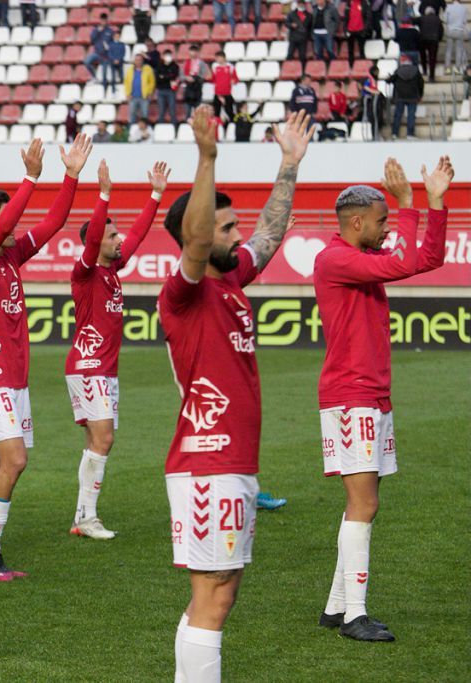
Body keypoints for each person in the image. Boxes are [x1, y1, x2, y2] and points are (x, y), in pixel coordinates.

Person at [160, 106, 313, 683]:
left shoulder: (230, 278)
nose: (236, 233)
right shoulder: (185, 289)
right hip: (208, 463)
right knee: (214, 596)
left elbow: (271, 234)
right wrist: (206, 158)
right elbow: (198, 236)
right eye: (226, 227)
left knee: (220, 594)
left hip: (232, 464)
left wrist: (289, 166)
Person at [313, 156, 452, 642]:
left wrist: (434, 205)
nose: (386, 227)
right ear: (356, 222)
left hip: (368, 394)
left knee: (361, 503)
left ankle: (336, 607)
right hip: (352, 396)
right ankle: (354, 616)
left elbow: (426, 259)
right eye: (381, 220)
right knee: (364, 504)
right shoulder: (334, 258)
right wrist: (411, 203)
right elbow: (405, 260)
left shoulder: (357, 256)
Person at [0, 134, 92, 581]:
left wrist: (70, 176)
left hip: (12, 377)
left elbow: (54, 222)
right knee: (15, 461)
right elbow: (0, 223)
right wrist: (29, 179)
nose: (9, 223)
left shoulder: (11, 255)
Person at [66, 159, 166, 539]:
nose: (118, 240)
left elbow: (137, 237)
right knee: (104, 439)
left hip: (103, 369)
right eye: (111, 237)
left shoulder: (111, 271)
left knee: (97, 441)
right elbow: (95, 240)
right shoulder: (86, 271)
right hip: (89, 366)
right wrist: (104, 195)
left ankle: (83, 517)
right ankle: (86, 517)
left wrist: (155, 195)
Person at [387, 55, 424, 139]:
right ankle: (410, 134)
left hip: (400, 96)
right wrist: (420, 95)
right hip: (413, 96)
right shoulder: (416, 70)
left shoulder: (398, 70)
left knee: (398, 115)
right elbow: (421, 83)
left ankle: (394, 133)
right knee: (411, 115)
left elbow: (390, 80)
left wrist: (389, 78)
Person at [124, 53, 155, 124]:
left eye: (140, 60)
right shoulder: (130, 70)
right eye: (136, 60)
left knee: (144, 115)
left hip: (144, 97)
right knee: (132, 116)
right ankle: (131, 131)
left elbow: (152, 82)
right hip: (133, 97)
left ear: (142, 61)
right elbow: (126, 83)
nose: (138, 61)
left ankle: (144, 132)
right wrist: (128, 94)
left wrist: (150, 92)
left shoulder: (148, 69)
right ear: (134, 61)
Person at [181, 45, 210, 119]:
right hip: (188, 89)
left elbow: (204, 75)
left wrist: (196, 78)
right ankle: (187, 125)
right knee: (187, 110)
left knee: (198, 110)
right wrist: (186, 78)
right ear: (189, 52)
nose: (193, 53)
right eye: (191, 51)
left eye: (195, 51)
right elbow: (181, 75)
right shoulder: (186, 63)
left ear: (198, 52)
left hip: (197, 89)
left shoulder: (202, 63)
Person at [210, 51, 238, 122]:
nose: (217, 60)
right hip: (217, 94)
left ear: (223, 57)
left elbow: (236, 79)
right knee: (216, 113)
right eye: (216, 58)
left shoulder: (230, 67)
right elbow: (212, 79)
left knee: (229, 112)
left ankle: (233, 126)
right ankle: (218, 128)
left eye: (218, 58)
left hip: (227, 94)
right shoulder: (214, 67)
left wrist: (233, 81)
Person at [85, 14, 114, 82]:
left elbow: (113, 43)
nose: (103, 22)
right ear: (100, 21)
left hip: (106, 55)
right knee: (87, 62)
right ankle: (94, 77)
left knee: (104, 76)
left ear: (106, 21)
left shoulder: (110, 31)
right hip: (97, 53)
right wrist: (98, 31)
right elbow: (92, 40)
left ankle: (104, 86)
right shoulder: (95, 30)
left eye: (105, 20)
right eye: (102, 20)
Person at [342, 0, 371, 68]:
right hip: (350, 31)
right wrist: (345, 30)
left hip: (360, 31)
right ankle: (351, 68)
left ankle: (362, 67)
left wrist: (364, 30)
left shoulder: (364, 3)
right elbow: (345, 18)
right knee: (350, 51)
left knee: (362, 50)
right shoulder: (349, 3)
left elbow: (368, 17)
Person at [155, 49, 180, 126]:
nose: (167, 57)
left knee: (172, 111)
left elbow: (173, 76)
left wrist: (163, 76)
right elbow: (158, 78)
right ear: (163, 56)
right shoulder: (159, 66)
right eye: (166, 55)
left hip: (171, 91)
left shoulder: (175, 66)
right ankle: (160, 130)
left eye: (169, 55)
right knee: (161, 111)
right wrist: (167, 76)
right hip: (161, 90)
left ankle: (174, 129)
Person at [417, 7, 442, 81]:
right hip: (434, 40)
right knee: (432, 58)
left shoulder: (422, 18)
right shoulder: (437, 19)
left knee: (423, 56)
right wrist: (439, 39)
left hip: (423, 39)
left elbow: (412, 21)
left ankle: (424, 70)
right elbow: (441, 30)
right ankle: (431, 76)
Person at [286, 1, 313, 70]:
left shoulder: (309, 15)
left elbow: (310, 27)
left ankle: (302, 71)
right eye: (299, 3)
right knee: (289, 55)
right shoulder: (291, 14)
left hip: (303, 38)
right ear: (297, 4)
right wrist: (291, 25)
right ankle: (288, 69)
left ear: (304, 4)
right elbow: (286, 23)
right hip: (293, 38)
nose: (300, 4)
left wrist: (309, 37)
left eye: (302, 3)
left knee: (302, 56)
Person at [312, 0, 339, 65]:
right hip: (316, 33)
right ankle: (321, 66)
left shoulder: (331, 9)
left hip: (327, 33)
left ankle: (333, 65)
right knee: (318, 51)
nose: (319, 1)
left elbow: (337, 20)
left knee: (330, 50)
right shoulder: (314, 9)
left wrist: (333, 30)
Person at [444, 1, 467, 74]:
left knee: (448, 50)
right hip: (459, 30)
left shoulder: (448, 7)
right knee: (459, 50)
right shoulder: (463, 8)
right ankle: (457, 68)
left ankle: (447, 68)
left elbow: (445, 20)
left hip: (450, 30)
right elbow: (464, 21)